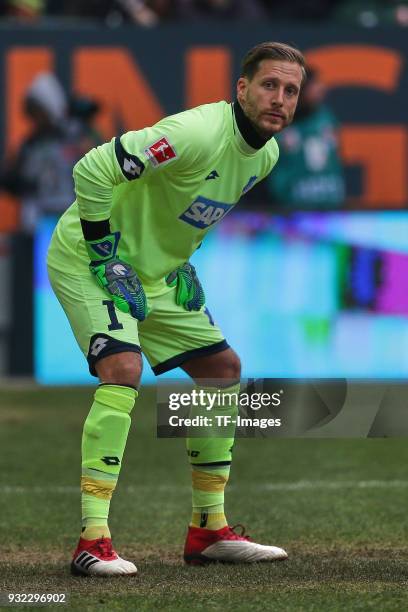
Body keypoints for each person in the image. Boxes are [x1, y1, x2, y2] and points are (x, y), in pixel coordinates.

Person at [47, 41, 305, 576]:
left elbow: (190, 208)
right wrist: (101, 252)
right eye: (268, 85)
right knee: (122, 368)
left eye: (290, 90)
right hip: (91, 258)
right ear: (242, 88)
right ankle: (92, 541)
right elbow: (94, 169)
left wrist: (184, 260)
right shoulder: (196, 132)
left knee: (221, 370)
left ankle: (208, 530)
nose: (279, 98)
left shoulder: (268, 154)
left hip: (155, 273)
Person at [266, 66, 345, 208]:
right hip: (290, 212)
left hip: (331, 206)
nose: (321, 88)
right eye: (315, 84)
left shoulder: (326, 118)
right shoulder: (276, 125)